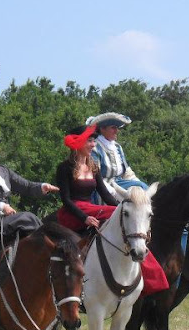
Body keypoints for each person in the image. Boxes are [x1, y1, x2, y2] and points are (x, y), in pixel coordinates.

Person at [55, 124, 169, 296]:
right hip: (74, 212)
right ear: (78, 143)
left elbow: (105, 194)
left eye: (94, 141)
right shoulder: (64, 168)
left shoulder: (94, 166)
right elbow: (66, 199)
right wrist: (85, 218)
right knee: (114, 214)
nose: (93, 145)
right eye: (89, 141)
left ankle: (139, 271)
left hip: (93, 209)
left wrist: (122, 208)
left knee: (121, 215)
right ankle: (153, 275)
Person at [85, 112, 149, 201]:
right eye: (113, 127)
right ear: (102, 129)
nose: (117, 131)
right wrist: (113, 192)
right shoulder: (95, 148)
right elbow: (95, 176)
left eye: (117, 128)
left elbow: (126, 172)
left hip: (119, 183)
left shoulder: (117, 147)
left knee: (143, 189)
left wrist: (139, 184)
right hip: (102, 188)